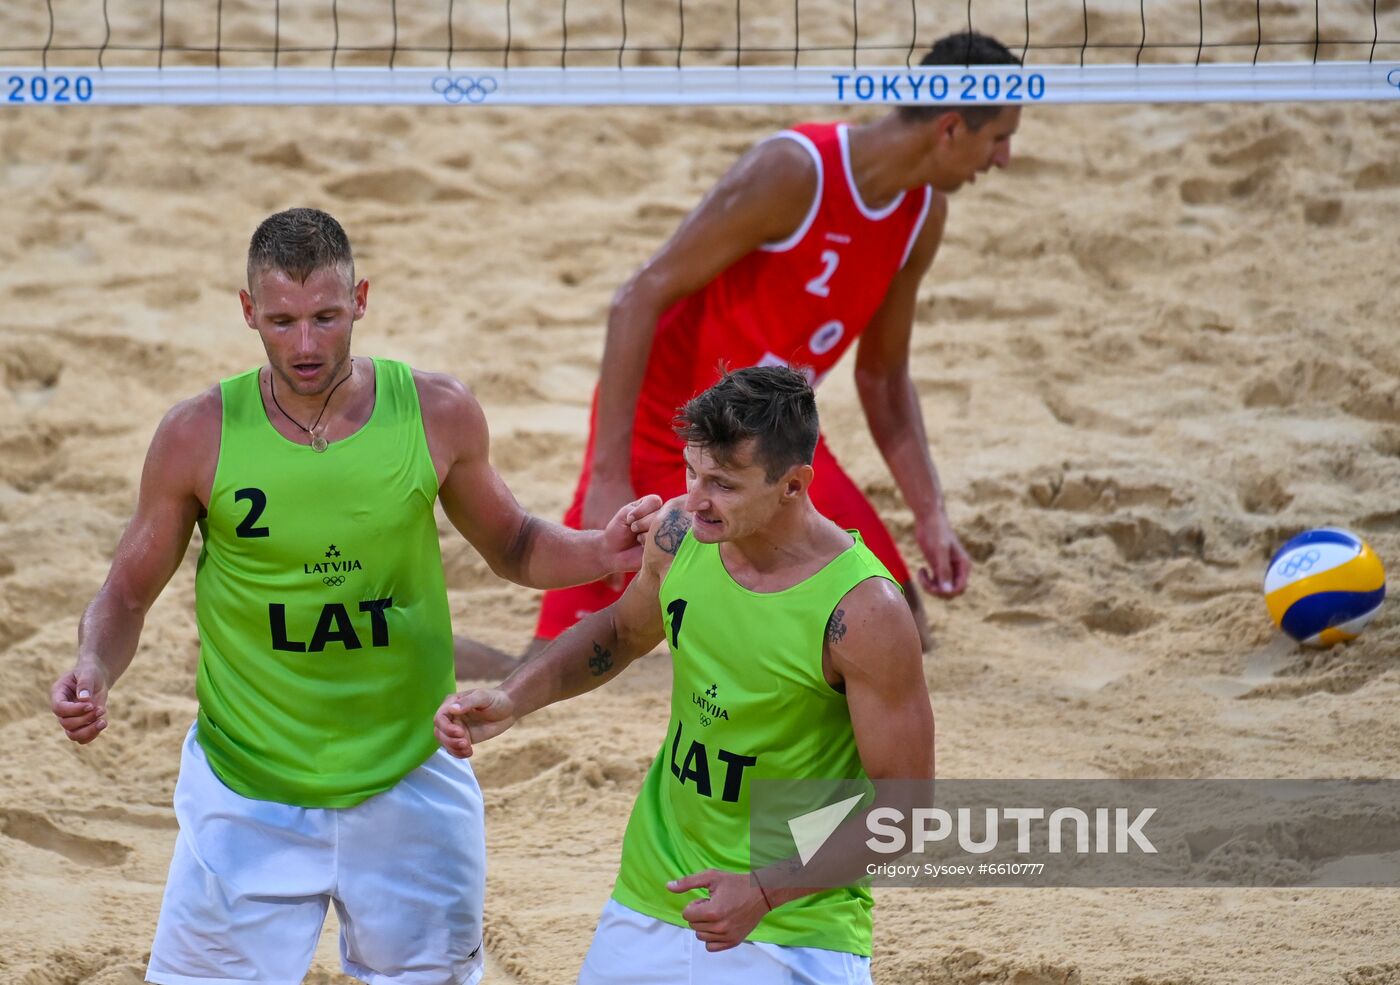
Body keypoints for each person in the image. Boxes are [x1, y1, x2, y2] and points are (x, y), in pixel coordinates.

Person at [48, 207, 661, 985]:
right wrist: (94, 664)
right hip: (249, 786)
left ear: (361, 300)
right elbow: (127, 594)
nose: (306, 345)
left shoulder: (436, 410)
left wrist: (600, 549)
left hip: (408, 771)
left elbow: (513, 543)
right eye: (282, 321)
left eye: (326, 317)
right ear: (248, 313)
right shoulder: (197, 433)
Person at [453, 30, 1023, 677]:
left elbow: (885, 378)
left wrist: (932, 514)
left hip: (778, 447)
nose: (1004, 157)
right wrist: (611, 473)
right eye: (999, 136)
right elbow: (637, 296)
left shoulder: (923, 213)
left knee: (899, 628)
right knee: (550, 665)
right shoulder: (794, 171)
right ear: (950, 128)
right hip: (670, 432)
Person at [436, 365, 935, 984]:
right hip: (656, 888)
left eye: (722, 484)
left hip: (795, 924)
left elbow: (907, 810)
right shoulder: (680, 536)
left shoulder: (863, 613)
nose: (696, 499)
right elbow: (621, 631)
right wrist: (514, 697)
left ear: (793, 485)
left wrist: (762, 890)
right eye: (691, 472)